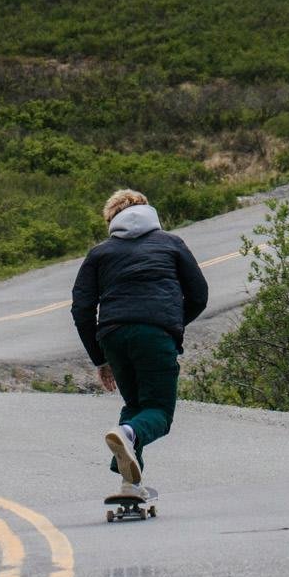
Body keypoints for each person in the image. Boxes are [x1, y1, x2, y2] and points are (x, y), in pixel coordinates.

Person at [71, 188, 209, 486]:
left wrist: (101, 357)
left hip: (113, 335)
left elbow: (81, 309)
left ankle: (130, 484)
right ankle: (127, 435)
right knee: (158, 411)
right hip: (156, 334)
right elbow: (199, 295)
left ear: (111, 219)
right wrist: (169, 324)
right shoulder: (172, 244)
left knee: (135, 407)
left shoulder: (99, 253)